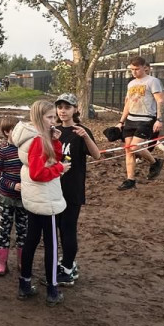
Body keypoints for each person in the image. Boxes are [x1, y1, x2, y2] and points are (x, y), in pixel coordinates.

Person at [10, 100, 68, 307]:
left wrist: (55, 142)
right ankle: (52, 289)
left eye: (55, 117)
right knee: (51, 245)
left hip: (36, 197)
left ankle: (25, 284)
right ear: (38, 117)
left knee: (31, 240)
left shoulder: (38, 136)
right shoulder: (36, 140)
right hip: (46, 198)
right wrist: (59, 170)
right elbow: (38, 172)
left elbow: (50, 158)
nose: (54, 121)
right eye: (50, 117)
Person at [54, 93, 101, 285]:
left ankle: (67, 268)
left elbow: (97, 155)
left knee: (68, 228)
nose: (63, 111)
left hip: (72, 188)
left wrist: (85, 137)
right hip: (54, 187)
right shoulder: (55, 130)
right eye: (60, 107)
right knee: (58, 227)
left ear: (75, 109)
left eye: (67, 107)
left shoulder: (81, 131)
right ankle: (68, 264)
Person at [116, 57, 164, 190]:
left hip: (146, 119)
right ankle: (130, 180)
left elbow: (160, 100)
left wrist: (159, 119)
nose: (134, 72)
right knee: (128, 151)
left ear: (145, 67)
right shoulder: (131, 84)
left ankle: (155, 162)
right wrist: (121, 122)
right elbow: (128, 103)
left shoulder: (153, 81)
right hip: (131, 119)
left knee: (134, 147)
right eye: (132, 69)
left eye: (137, 69)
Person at [0, 117, 26, 276]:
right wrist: (12, 185)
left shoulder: (26, 150)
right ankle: (2, 263)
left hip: (24, 200)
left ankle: (22, 262)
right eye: (14, 130)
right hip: (6, 198)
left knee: (22, 231)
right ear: (6, 132)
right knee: (4, 230)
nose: (18, 133)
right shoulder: (1, 151)